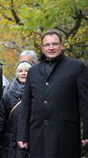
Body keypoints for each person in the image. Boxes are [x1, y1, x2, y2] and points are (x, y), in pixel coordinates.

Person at [17, 30, 88, 158]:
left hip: (65, 134)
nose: (51, 47)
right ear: (42, 48)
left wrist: (87, 132)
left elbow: (86, 103)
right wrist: (22, 134)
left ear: (61, 45)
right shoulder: (33, 71)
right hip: (38, 134)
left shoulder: (77, 68)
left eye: (54, 44)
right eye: (47, 45)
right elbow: (26, 105)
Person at [0, 61, 32, 158]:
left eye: (27, 71)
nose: (23, 73)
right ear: (16, 74)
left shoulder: (38, 94)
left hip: (28, 143)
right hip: (7, 144)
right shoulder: (7, 93)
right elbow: (0, 121)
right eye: (20, 71)